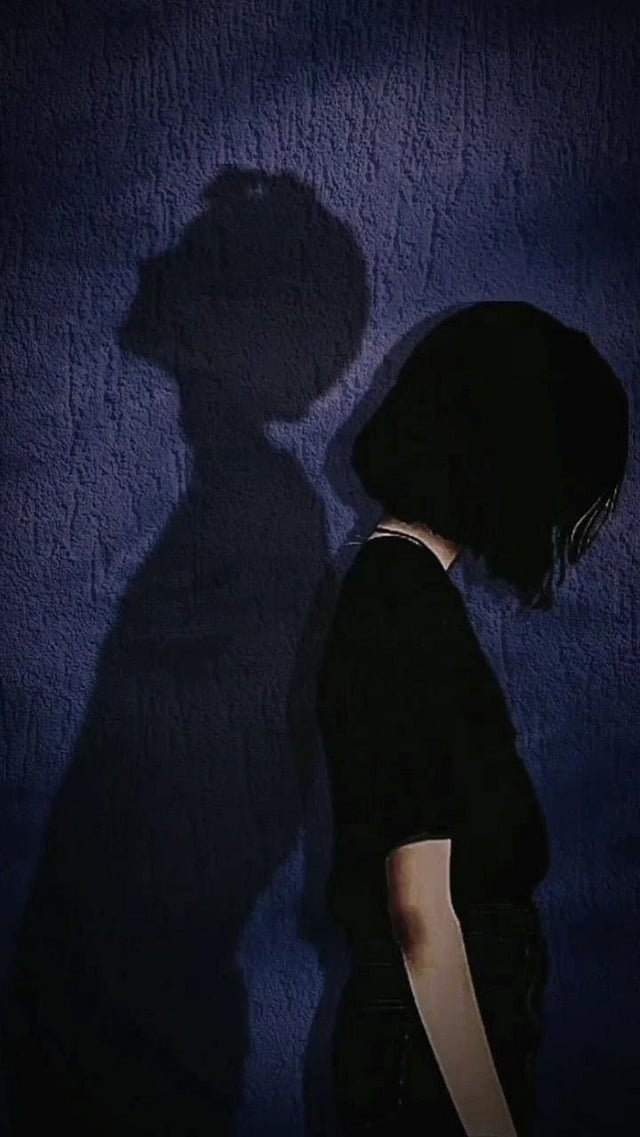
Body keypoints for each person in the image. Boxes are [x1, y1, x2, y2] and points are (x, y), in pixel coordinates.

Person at [317, 301, 628, 1136]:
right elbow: (420, 914)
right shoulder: (403, 608)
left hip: (425, 1063)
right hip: (426, 1077)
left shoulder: (404, 596)